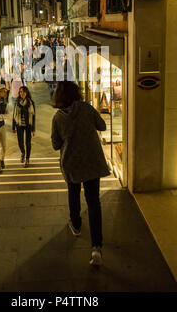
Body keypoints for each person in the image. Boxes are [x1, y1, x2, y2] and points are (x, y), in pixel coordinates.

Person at [51, 81, 110, 266]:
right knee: (94, 202)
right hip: (92, 161)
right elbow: (102, 126)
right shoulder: (87, 108)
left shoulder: (58, 118)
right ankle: (96, 247)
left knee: (74, 193)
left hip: (72, 163)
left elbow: (55, 144)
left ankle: (76, 225)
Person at [12, 86, 35, 168]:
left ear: (26, 93)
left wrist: (33, 129)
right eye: (20, 92)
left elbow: (33, 116)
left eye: (23, 92)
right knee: (20, 142)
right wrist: (13, 126)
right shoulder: (17, 102)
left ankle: (27, 158)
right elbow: (14, 114)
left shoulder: (30, 102)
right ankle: (23, 152)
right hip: (19, 125)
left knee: (28, 143)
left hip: (28, 125)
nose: (21, 93)